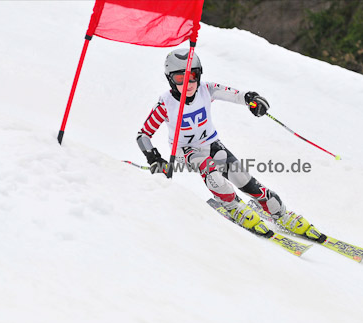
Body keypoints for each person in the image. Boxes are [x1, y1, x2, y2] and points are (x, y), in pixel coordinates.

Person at [137, 48, 324, 242]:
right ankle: (234, 206)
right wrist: (153, 157)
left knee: (243, 178)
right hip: (187, 151)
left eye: (193, 75)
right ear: (169, 79)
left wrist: (251, 99)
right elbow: (143, 134)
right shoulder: (165, 104)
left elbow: (235, 95)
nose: (188, 83)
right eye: (179, 78)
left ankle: (281, 214)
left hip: (211, 144)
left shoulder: (206, 89)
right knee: (211, 173)